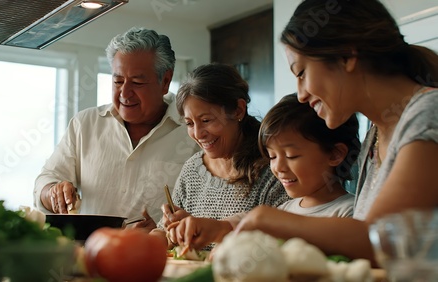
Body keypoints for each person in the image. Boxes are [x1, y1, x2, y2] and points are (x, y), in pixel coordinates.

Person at [235, 0, 438, 265]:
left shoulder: (429, 113)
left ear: (346, 56)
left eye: (302, 73)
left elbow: (383, 243)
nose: (302, 94)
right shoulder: (375, 136)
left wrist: (265, 219)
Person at [33, 27, 200, 230]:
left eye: (137, 82)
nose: (125, 93)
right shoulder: (85, 124)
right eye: (118, 81)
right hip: (88, 256)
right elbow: (46, 180)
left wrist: (163, 232)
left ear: (165, 81)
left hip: (161, 258)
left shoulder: (194, 133)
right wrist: (52, 192)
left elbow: (205, 213)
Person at [167, 93, 360, 250]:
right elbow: (247, 223)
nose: (278, 168)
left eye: (292, 156)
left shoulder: (350, 213)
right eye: (273, 157)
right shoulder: (285, 209)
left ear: (335, 154)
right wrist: (215, 228)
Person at [149, 63, 290, 250]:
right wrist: (170, 232)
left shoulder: (273, 168)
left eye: (206, 120)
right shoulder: (192, 169)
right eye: (190, 123)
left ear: (238, 110)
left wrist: (207, 231)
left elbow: (283, 242)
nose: (198, 134)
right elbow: (165, 233)